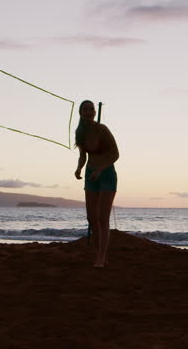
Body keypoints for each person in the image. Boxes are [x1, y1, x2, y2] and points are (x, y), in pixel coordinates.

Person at [73, 100, 120, 268]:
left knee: (102, 218)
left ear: (94, 112)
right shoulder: (81, 132)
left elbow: (115, 154)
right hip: (90, 175)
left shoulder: (102, 129)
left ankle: (101, 258)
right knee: (91, 218)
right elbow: (83, 155)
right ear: (80, 113)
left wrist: (100, 168)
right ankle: (100, 254)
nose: (89, 111)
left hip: (106, 174)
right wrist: (79, 168)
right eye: (85, 109)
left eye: (91, 109)